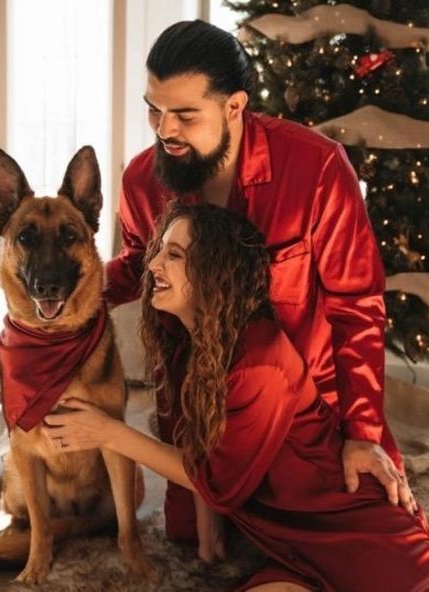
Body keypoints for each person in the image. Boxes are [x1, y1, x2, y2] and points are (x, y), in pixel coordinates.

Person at [103, 19, 415, 535]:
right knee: (188, 533)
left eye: (184, 115)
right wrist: (69, 288)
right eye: (154, 110)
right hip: (198, 407)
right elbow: (138, 264)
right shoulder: (142, 179)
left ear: (234, 107)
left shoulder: (316, 168)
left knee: (375, 539)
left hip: (308, 417)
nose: (163, 131)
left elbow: (356, 305)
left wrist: (362, 432)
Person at [44, 203, 429, 592]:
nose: (154, 264)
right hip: (293, 549)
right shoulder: (190, 345)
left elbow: (216, 481)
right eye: (158, 249)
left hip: (365, 544)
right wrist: (208, 525)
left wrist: (107, 432)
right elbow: (202, 443)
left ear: (214, 271)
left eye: (173, 255)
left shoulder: (260, 362)